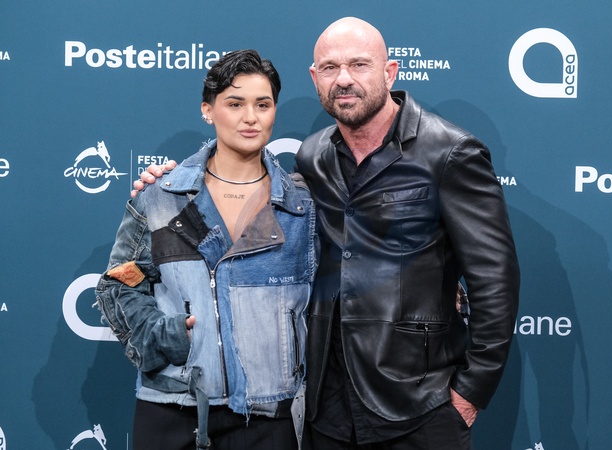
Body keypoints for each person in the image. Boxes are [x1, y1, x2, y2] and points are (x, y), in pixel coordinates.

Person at [138, 17, 519, 449]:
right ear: (314, 77)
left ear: (390, 72)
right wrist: (169, 183)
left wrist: (470, 394)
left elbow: (495, 282)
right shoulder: (313, 155)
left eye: (359, 65)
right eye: (330, 68)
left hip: (418, 403)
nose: (344, 79)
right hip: (328, 404)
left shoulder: (449, 152)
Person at [96, 49, 317, 450]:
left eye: (262, 104)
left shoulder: (301, 206)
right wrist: (167, 336)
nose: (250, 117)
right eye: (235, 103)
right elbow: (119, 284)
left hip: (270, 414)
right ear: (207, 110)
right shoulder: (162, 197)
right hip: (172, 409)